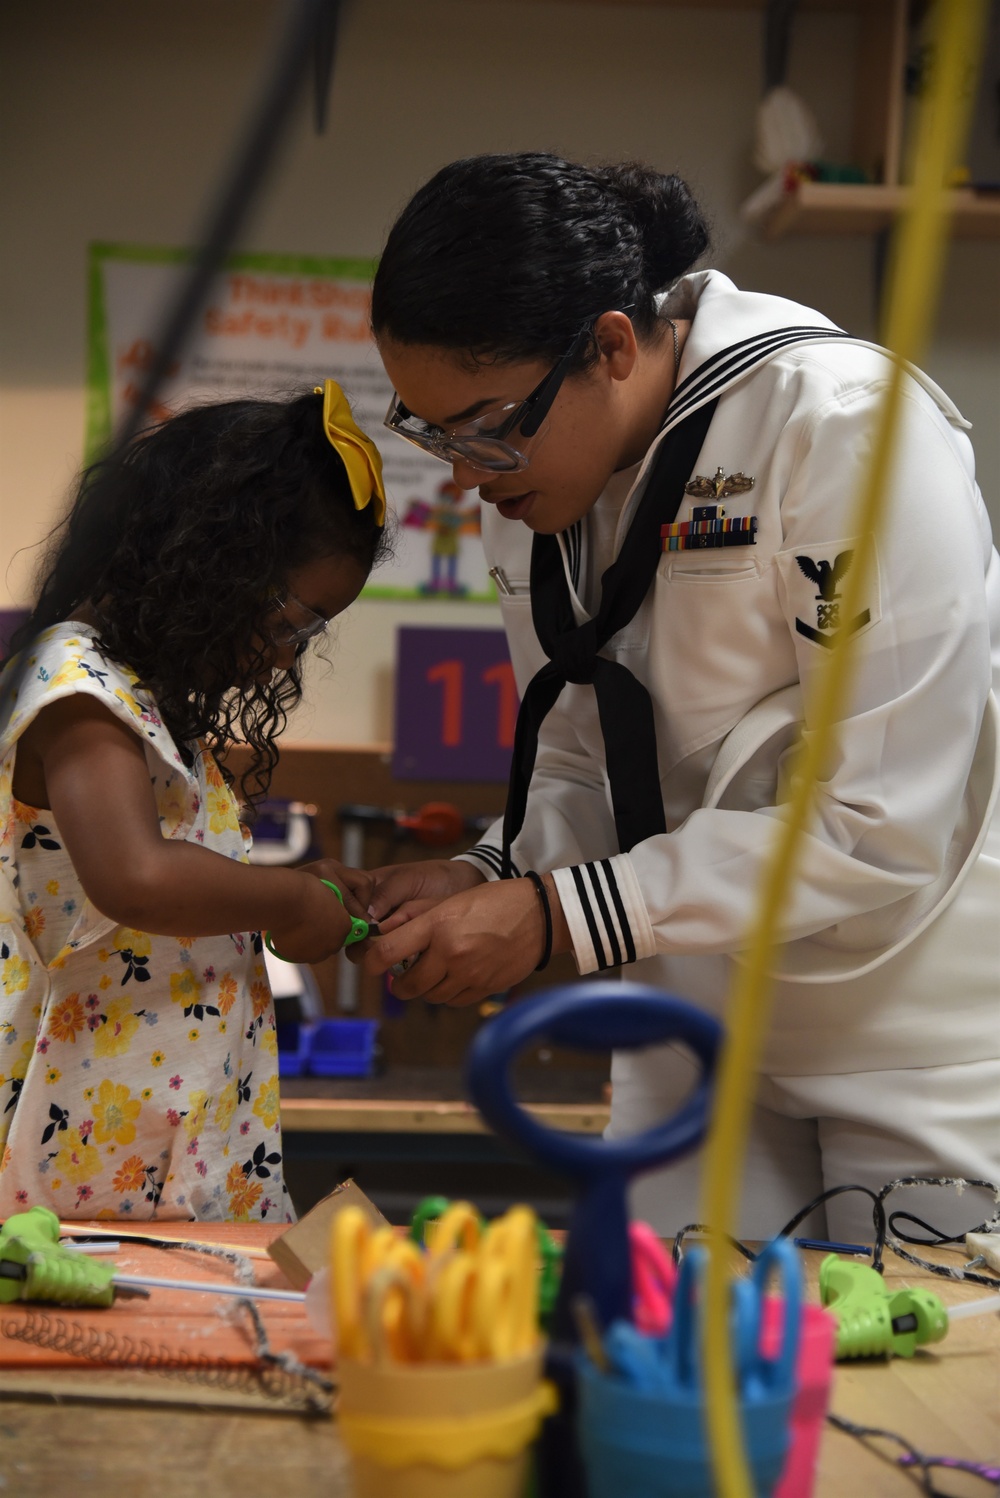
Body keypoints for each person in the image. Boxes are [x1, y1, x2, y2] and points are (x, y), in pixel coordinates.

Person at [361, 152, 1000, 1241]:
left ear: (610, 345)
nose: (463, 475)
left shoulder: (840, 426)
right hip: (688, 1011)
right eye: (433, 435)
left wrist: (557, 913)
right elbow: (576, 758)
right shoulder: (530, 483)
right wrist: (492, 870)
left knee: (907, 1373)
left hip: (902, 1025)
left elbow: (879, 824)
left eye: (482, 425)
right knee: (665, 1346)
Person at [0, 381, 388, 1221]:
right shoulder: (76, 688)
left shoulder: (148, 702)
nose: (288, 661)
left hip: (157, 1162)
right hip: (72, 1185)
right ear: (218, 564)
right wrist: (287, 898)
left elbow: (172, 888)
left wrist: (302, 880)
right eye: (296, 624)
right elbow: (134, 878)